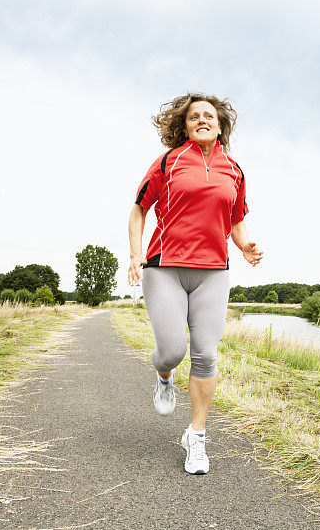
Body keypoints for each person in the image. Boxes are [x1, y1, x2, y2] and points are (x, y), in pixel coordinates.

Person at [127, 93, 263, 475]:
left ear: (219, 125)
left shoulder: (233, 169)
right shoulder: (169, 161)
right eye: (193, 117)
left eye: (208, 115)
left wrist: (245, 245)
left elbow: (235, 219)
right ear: (184, 126)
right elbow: (138, 208)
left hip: (213, 271)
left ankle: (197, 437)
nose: (201, 120)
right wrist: (135, 252)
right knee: (171, 351)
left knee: (206, 354)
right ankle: (163, 375)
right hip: (164, 266)